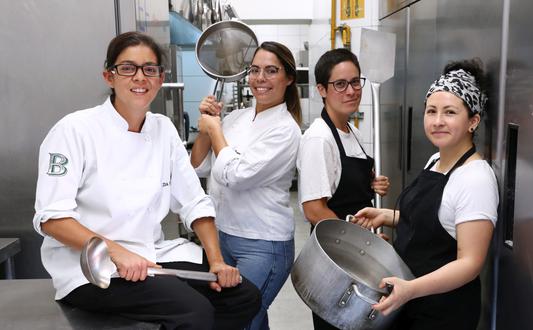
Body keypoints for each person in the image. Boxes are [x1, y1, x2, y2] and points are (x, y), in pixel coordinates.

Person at [33, 31, 260, 330]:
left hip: (151, 255)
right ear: (109, 76)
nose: (140, 77)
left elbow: (194, 201)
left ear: (160, 78)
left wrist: (216, 260)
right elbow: (52, 218)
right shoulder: (74, 130)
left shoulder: (162, 129)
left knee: (242, 297)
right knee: (193, 312)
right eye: (128, 68)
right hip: (93, 267)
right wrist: (117, 252)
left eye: (149, 69)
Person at [352, 59, 499, 329]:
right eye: (431, 111)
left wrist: (411, 289)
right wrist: (387, 215)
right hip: (410, 300)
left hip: (442, 311)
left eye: (450, 112)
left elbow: (470, 263)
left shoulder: (475, 178)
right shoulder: (435, 160)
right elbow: (436, 221)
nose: (437, 121)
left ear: (473, 121)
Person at [190, 41, 302, 330]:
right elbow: (199, 165)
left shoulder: (286, 130)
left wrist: (215, 129)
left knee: (237, 320)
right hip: (222, 235)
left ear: (288, 78)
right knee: (248, 318)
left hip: (263, 243)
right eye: (254, 70)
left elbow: (235, 176)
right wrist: (208, 125)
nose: (260, 79)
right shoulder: (237, 117)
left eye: (270, 71)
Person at [296, 48, 390, 330]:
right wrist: (362, 245)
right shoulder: (319, 139)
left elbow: (347, 184)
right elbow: (314, 210)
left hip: (355, 257)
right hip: (336, 264)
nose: (351, 91)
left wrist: (372, 184)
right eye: (340, 84)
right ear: (322, 90)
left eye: (355, 82)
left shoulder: (352, 132)